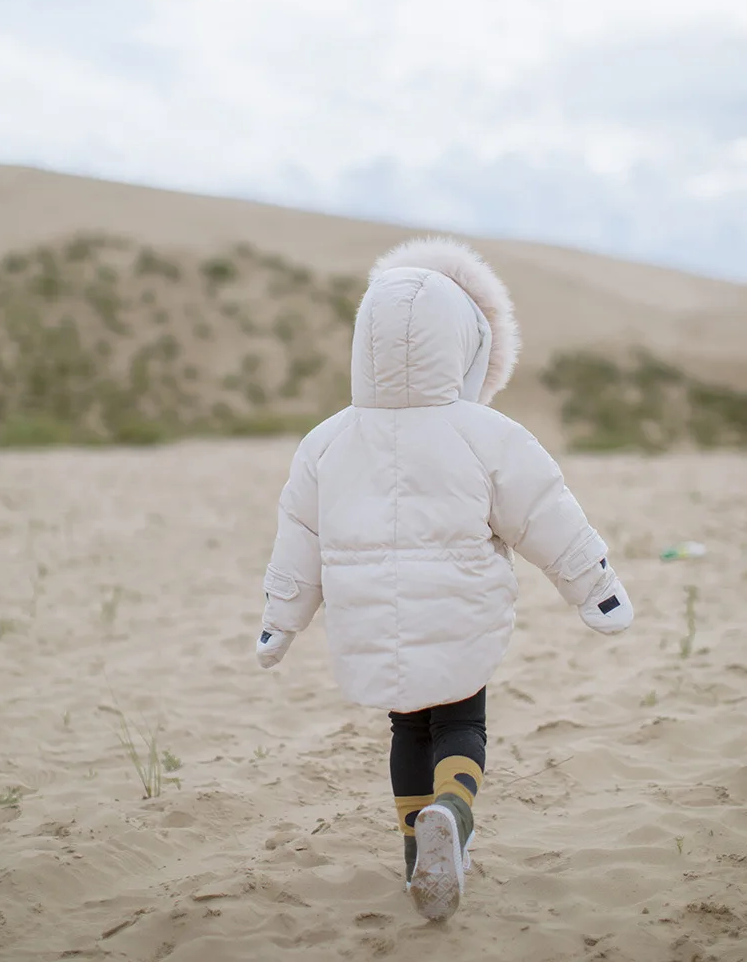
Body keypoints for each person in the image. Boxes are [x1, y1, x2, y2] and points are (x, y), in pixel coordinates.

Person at [255, 237, 633, 921]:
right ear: (463, 344)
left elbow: (298, 537)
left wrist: (280, 620)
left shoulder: (328, 439)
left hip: (369, 617)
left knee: (408, 728)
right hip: (460, 610)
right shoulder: (484, 432)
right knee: (461, 717)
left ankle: (413, 850)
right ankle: (454, 812)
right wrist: (595, 588)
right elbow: (545, 513)